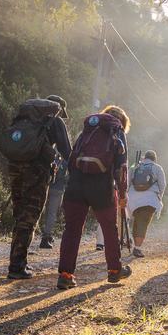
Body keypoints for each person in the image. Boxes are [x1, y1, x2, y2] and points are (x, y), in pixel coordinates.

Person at [57, 104, 132, 288]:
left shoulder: (88, 130)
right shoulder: (117, 130)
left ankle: (65, 275)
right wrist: (122, 194)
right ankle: (114, 271)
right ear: (122, 121)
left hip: (76, 184)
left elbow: (73, 158)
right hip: (101, 186)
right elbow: (121, 168)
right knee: (109, 229)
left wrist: (72, 181)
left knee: (72, 229)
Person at [4, 94, 71, 279]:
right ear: (58, 108)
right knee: (29, 216)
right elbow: (67, 151)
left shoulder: (25, 118)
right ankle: (17, 266)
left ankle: (15, 261)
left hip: (15, 166)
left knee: (19, 214)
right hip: (37, 172)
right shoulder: (55, 121)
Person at [127, 150, 167, 257]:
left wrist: (126, 196)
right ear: (154, 159)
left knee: (137, 221)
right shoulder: (157, 167)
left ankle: (132, 243)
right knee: (143, 223)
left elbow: (127, 181)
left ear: (144, 158)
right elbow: (162, 185)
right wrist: (159, 198)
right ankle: (137, 248)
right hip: (149, 199)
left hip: (133, 198)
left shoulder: (134, 166)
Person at [39, 152, 68, 249]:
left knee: (41, 210)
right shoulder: (66, 159)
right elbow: (68, 177)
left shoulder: (50, 155)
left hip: (45, 185)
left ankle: (38, 232)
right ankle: (46, 237)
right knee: (52, 213)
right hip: (58, 189)